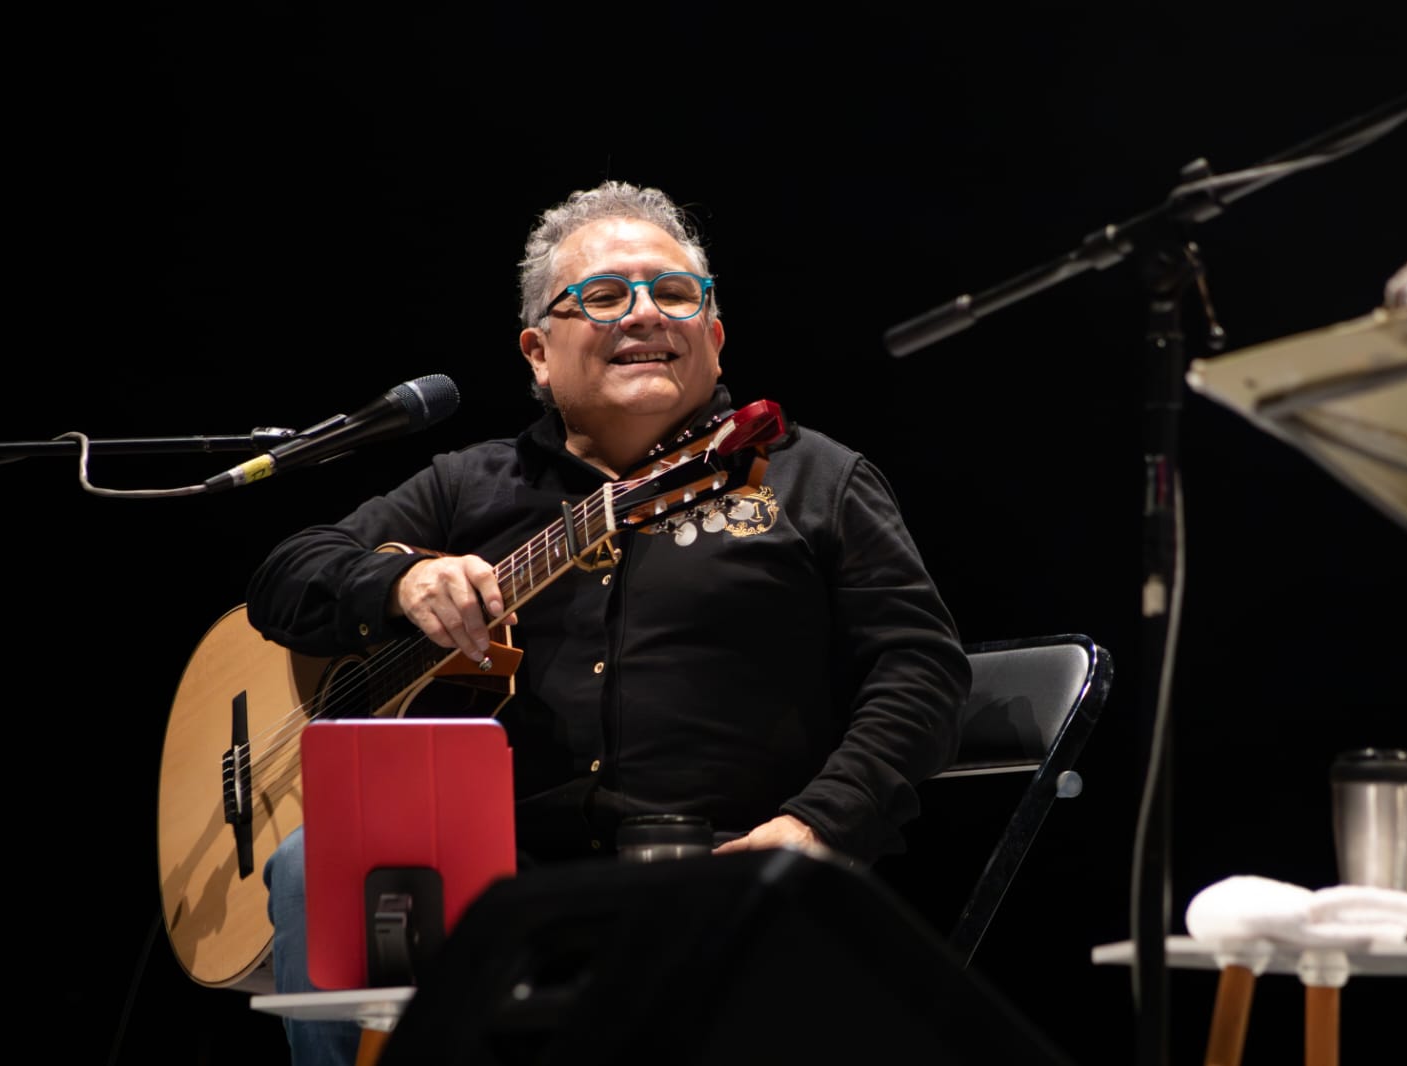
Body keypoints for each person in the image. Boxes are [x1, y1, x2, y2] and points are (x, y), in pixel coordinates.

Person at [245, 179, 970, 1065]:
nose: (645, 313)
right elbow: (286, 580)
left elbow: (920, 671)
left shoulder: (813, 478)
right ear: (538, 354)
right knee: (314, 860)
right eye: (602, 296)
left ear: (715, 336)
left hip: (724, 871)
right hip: (496, 887)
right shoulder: (469, 486)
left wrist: (817, 827)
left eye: (675, 293)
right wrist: (400, 583)